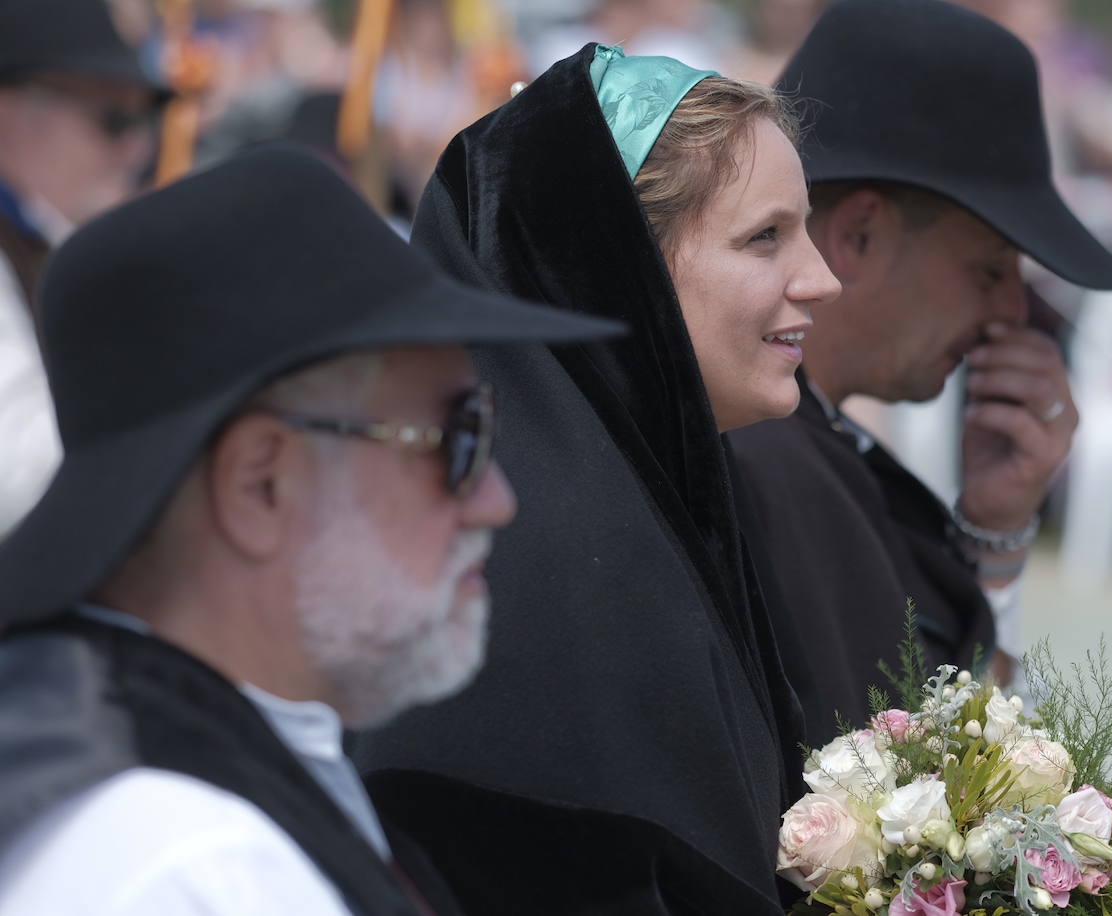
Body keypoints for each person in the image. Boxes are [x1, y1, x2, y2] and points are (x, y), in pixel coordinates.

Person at [0, 145, 617, 915]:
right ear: (261, 486)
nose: (497, 499)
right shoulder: (189, 865)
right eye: (460, 439)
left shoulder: (192, 755)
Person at [352, 44, 839, 914]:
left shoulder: (658, 489)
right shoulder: (543, 558)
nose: (822, 278)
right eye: (765, 237)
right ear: (621, 268)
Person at [727, 0, 1112, 744]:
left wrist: (996, 531)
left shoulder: (798, 438)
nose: (1011, 313)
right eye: (987, 269)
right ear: (860, 234)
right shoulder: (766, 462)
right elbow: (914, 794)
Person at [0, 0, 167, 536]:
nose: (139, 148)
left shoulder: (51, 244)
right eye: (114, 119)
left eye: (147, 120)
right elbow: (25, 477)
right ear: (9, 111)